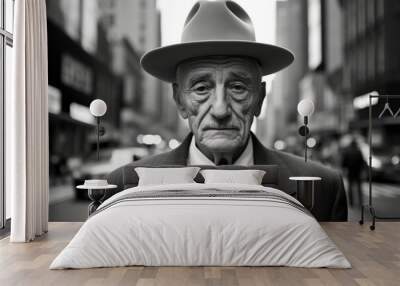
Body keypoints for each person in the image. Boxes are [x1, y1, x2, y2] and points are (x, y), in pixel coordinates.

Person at [107, 0, 347, 221]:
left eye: (238, 87)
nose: (220, 110)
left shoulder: (324, 188)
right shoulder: (124, 185)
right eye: (201, 88)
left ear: (260, 99)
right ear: (179, 101)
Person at [342, 139, 365, 207]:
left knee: (350, 187)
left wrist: (344, 170)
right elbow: (362, 162)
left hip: (350, 171)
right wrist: (362, 170)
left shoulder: (348, 152)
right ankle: (360, 202)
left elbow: (344, 163)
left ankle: (351, 202)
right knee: (359, 187)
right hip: (357, 171)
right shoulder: (358, 152)